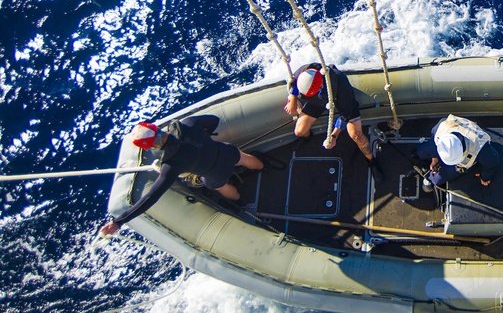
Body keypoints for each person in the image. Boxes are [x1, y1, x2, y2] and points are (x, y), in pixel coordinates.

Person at [99, 115, 263, 236]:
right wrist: (204, 136)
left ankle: (241, 202)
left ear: (154, 145)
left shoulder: (171, 166)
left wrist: (118, 221)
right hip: (225, 152)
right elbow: (213, 120)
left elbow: (152, 196)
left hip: (216, 173)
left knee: (219, 186)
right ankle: (263, 167)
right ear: (156, 129)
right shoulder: (188, 124)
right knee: (244, 158)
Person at [284, 62, 383, 185]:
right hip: (317, 101)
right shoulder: (302, 73)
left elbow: (345, 114)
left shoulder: (340, 83)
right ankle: (308, 137)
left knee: (357, 135)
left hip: (339, 100)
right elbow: (293, 85)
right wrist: (292, 100)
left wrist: (334, 135)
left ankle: (371, 161)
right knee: (299, 131)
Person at [414, 114, 500, 188]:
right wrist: (434, 159)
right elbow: (434, 140)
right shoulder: (442, 127)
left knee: (437, 179)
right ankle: (417, 153)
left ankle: (430, 178)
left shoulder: (480, 148)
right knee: (421, 152)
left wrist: (485, 177)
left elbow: (493, 162)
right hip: (438, 147)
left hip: (464, 161)